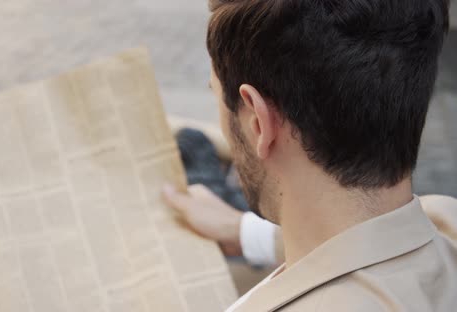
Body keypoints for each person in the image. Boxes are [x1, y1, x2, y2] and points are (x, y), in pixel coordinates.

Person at [163, 0, 457, 311]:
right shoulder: (446, 223)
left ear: (259, 123)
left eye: (216, 95)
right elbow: (365, 243)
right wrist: (245, 232)